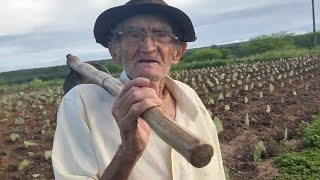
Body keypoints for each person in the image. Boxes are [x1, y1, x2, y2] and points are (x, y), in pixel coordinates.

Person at [52, 0, 225, 179]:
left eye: (161, 34)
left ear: (177, 52)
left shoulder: (189, 97)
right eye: (134, 34)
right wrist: (127, 154)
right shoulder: (81, 104)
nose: (148, 47)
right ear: (115, 51)